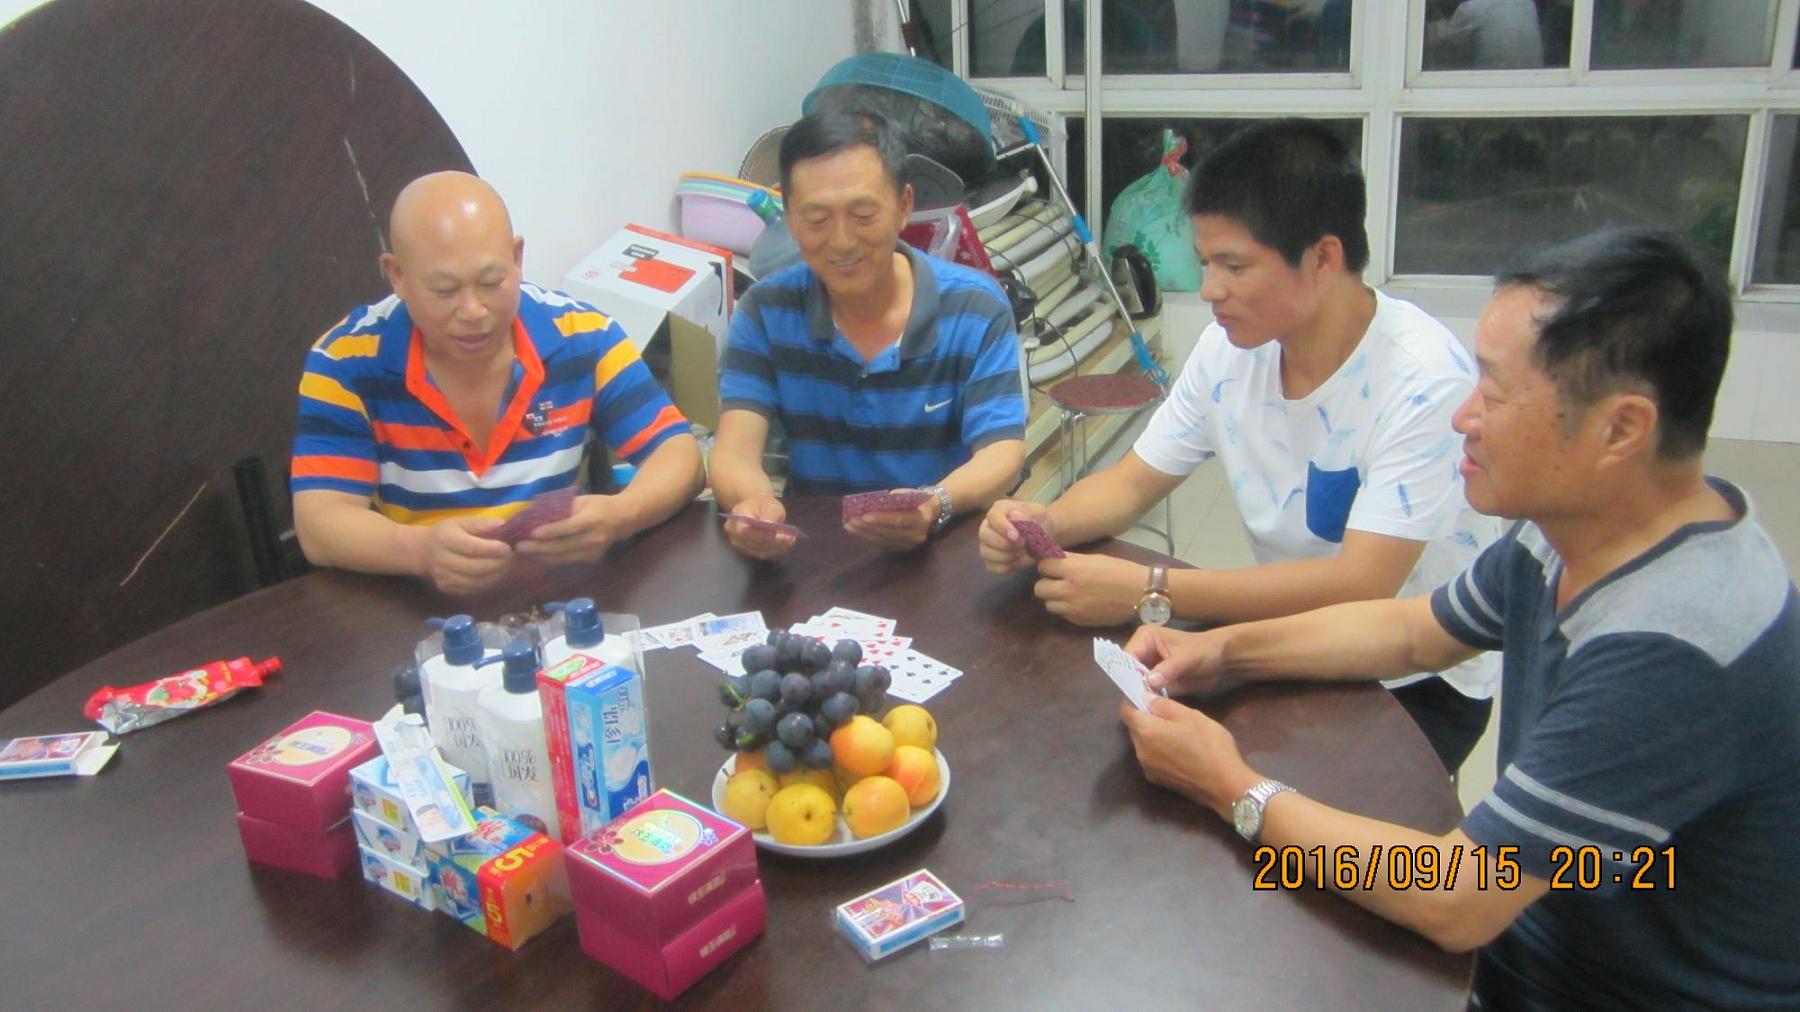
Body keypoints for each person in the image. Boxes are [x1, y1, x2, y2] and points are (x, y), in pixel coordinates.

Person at [1119, 230, 1800, 1007]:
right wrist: (1221, 651)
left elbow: (1459, 896)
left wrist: (1230, 785)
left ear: (1621, 429)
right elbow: (1414, 631)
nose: (1463, 417)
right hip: (1541, 931)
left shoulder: (1674, 647)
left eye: (1495, 394)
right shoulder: (1576, 529)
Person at [980, 119, 1498, 772]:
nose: (1209, 291)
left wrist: (1151, 589)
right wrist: (1045, 522)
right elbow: (1133, 482)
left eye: (1234, 266)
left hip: (1414, 681)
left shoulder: (1424, 382)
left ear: (1323, 258)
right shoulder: (1230, 349)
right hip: (1283, 636)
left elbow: (1362, 583)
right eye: (1205, 263)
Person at [291, 172, 704, 594]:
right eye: (444, 290)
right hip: (418, 603)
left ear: (517, 257)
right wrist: (419, 551)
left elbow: (680, 456)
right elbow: (319, 524)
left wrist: (621, 515)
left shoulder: (583, 336)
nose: (473, 311)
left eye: (491, 283)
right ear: (396, 275)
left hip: (559, 593)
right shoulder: (346, 361)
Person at [711, 110, 1026, 561]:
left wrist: (934, 503)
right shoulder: (765, 311)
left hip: (944, 556)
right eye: (816, 219)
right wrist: (753, 504)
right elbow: (735, 451)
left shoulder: (974, 308)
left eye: (862, 215)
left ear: (904, 205)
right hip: (815, 560)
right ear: (789, 217)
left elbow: (1002, 452)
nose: (841, 242)